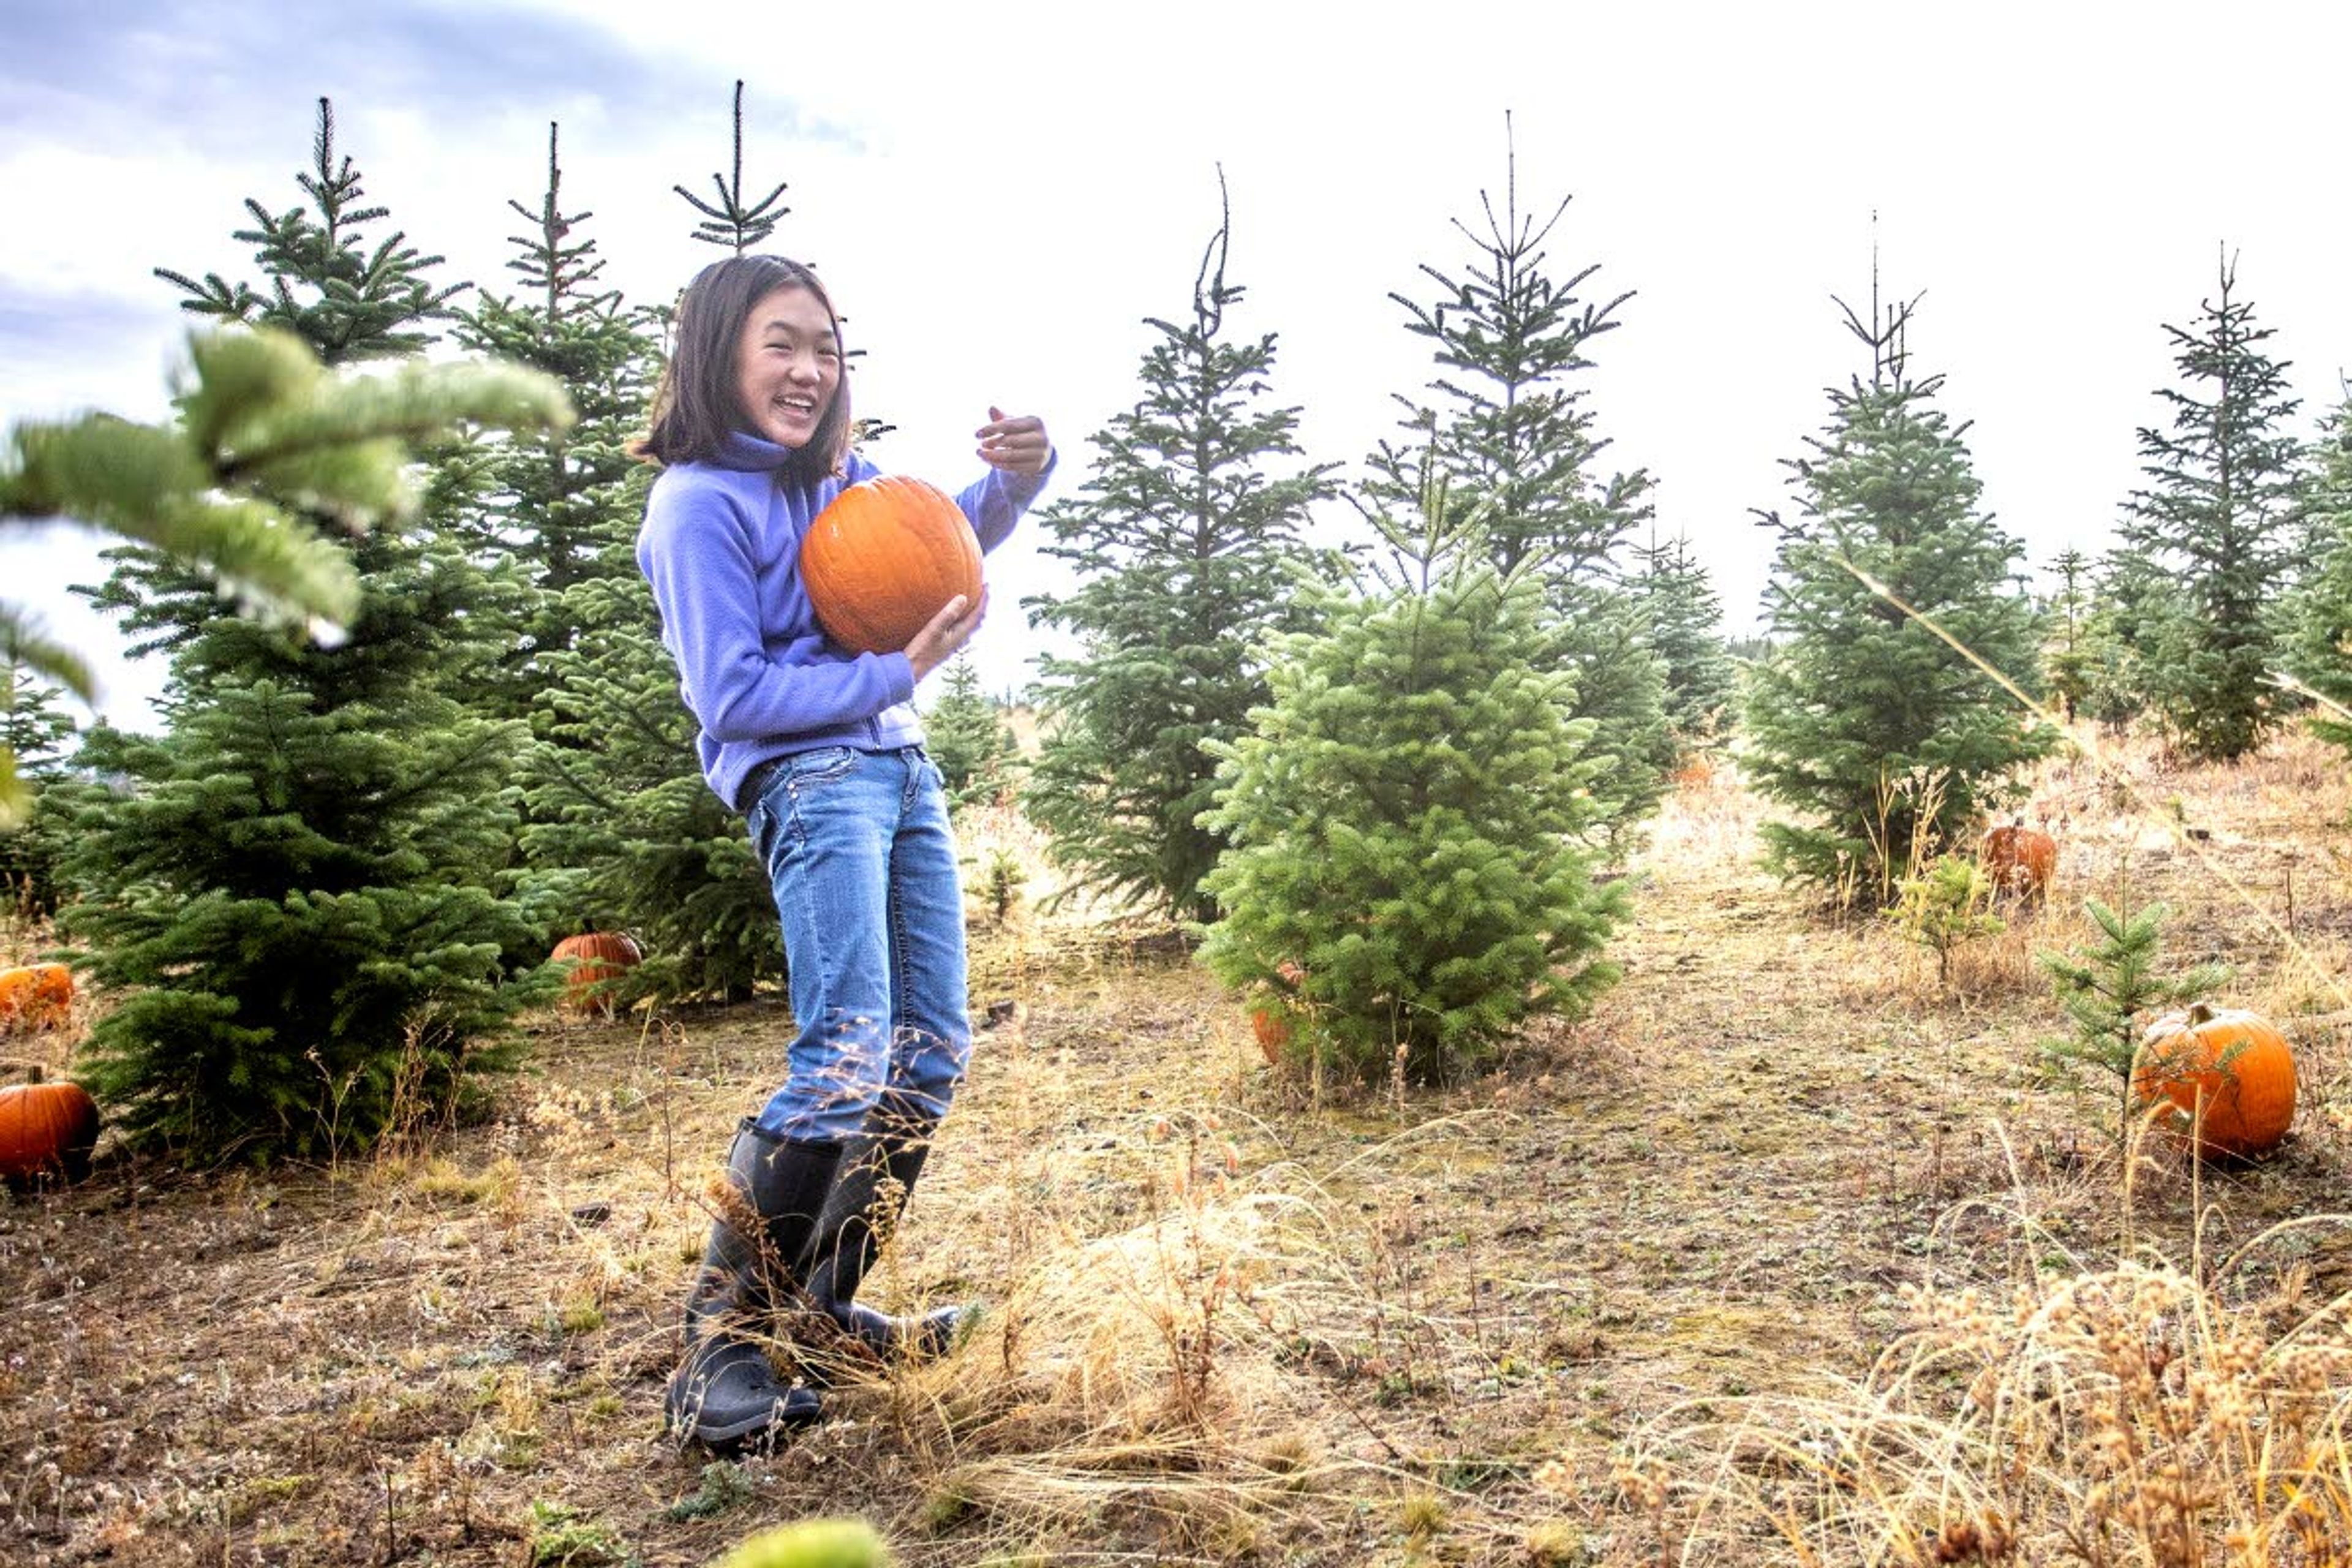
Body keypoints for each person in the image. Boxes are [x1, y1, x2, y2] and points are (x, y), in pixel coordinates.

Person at [633, 253, 1054, 1452]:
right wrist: (893, 673)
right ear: (720, 352)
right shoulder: (697, 505)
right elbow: (731, 691)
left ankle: (816, 1312)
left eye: (826, 344)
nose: (811, 367)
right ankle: (720, 1349)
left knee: (928, 1051)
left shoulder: (841, 479)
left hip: (898, 771)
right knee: (845, 1054)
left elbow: (933, 545)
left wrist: (1018, 480)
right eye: (783, 342)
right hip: (810, 780)